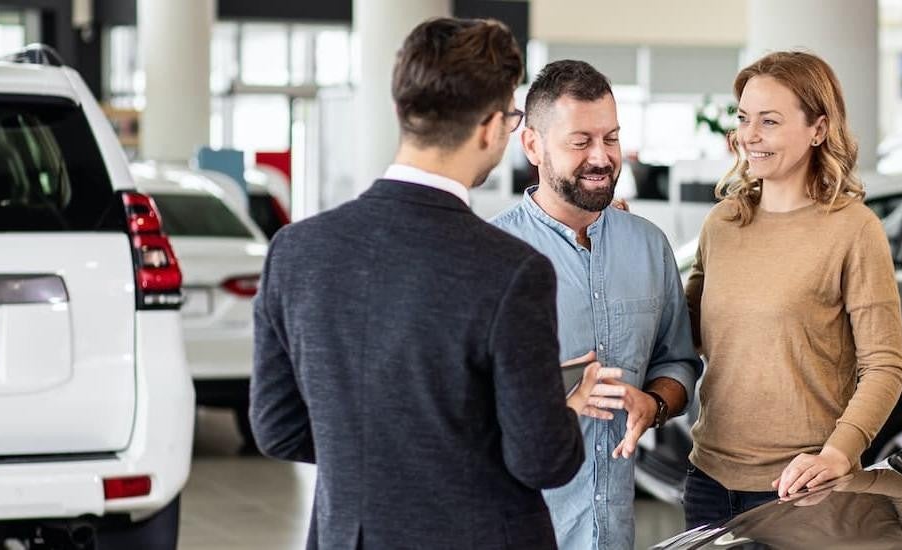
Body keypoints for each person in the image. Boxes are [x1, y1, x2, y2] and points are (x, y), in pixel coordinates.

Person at [249, 18, 623, 549]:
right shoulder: (510, 270)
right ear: (493, 127)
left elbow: (278, 427)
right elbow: (543, 459)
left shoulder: (296, 251)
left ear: (404, 111)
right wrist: (564, 403)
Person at [682, 51, 902, 528]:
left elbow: (884, 366)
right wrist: (612, 243)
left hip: (805, 492)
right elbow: (685, 333)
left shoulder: (854, 230)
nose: (749, 135)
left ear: (818, 129)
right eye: (744, 118)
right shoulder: (723, 222)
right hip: (708, 483)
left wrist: (837, 455)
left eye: (769, 121)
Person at [491, 59, 703, 550]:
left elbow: (677, 362)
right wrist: (553, 403)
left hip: (614, 534)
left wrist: (652, 403)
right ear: (532, 145)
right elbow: (456, 409)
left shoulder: (649, 246)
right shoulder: (492, 256)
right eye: (580, 141)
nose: (602, 157)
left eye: (610, 138)